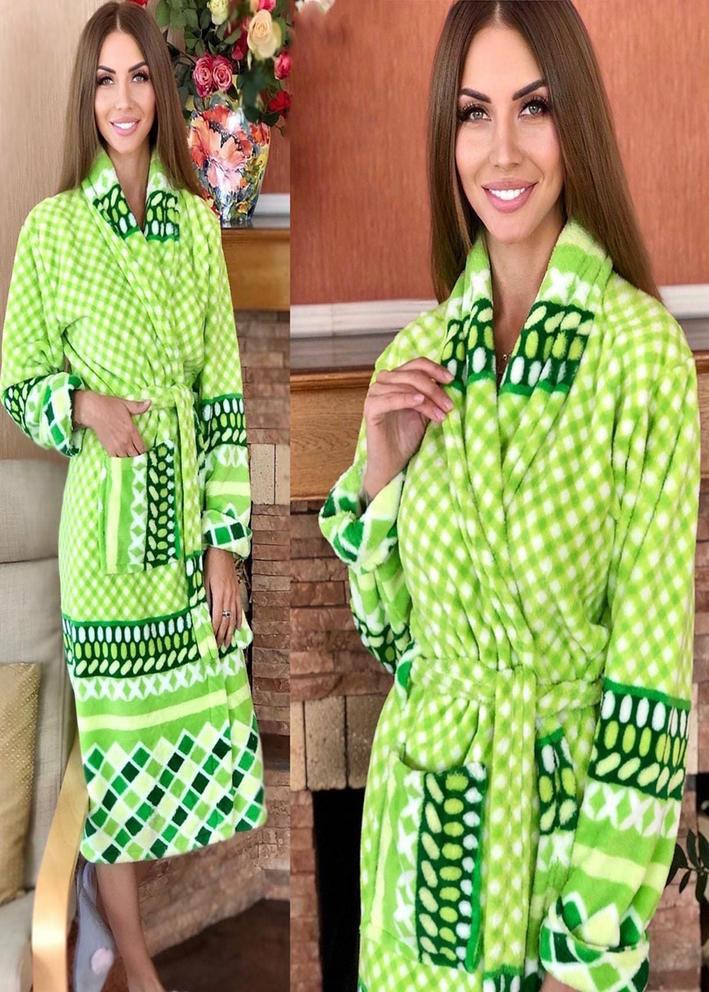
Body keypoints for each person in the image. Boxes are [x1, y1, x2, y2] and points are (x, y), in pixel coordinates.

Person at [318, 3, 700, 992]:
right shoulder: (416, 358)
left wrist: (588, 945)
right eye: (471, 113)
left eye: (532, 107)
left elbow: (650, 680)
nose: (501, 149)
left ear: (576, 119)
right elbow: (394, 644)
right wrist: (379, 474)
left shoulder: (640, 357)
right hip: (420, 856)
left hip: (561, 860)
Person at [0, 4, 267, 991]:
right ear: (87, 95)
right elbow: (17, 381)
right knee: (113, 770)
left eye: (140, 76)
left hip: (185, 523)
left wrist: (225, 543)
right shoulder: (52, 231)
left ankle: (103, 921)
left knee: (184, 747)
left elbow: (224, 390)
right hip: (103, 542)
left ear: (162, 89)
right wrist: (83, 404)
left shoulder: (195, 226)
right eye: (106, 79)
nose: (123, 99)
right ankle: (140, 960)